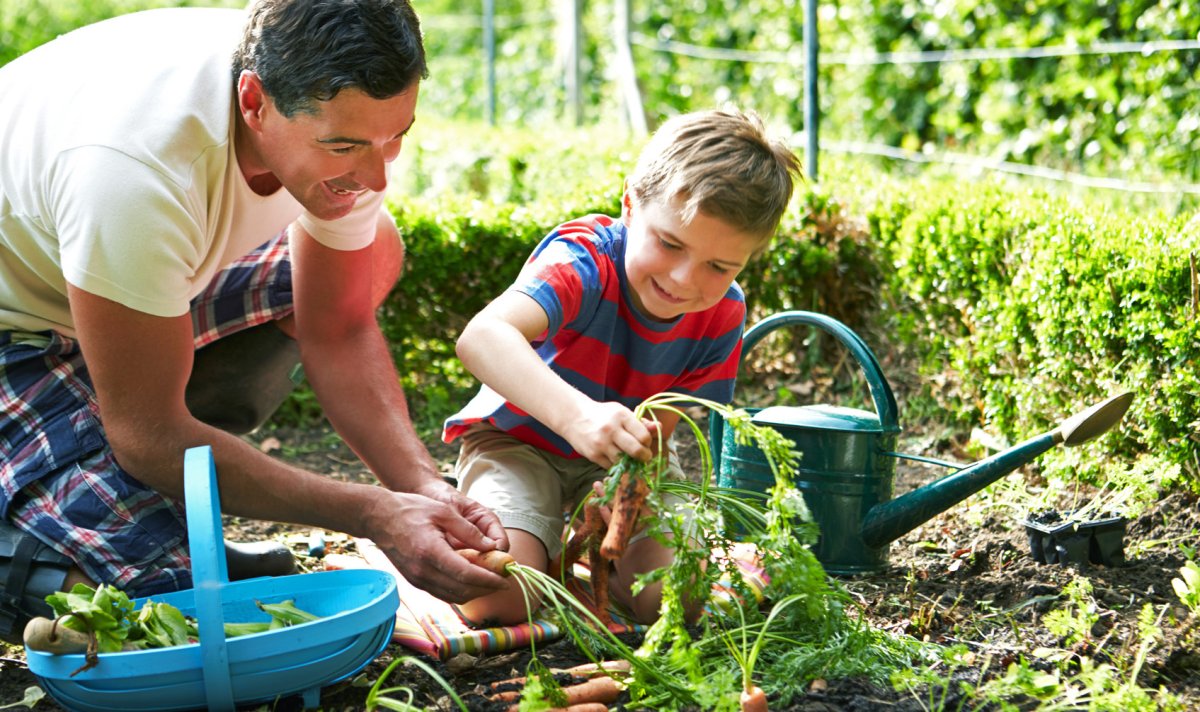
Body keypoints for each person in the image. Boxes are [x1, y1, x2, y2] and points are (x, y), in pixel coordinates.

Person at [0, 0, 510, 644]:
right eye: (344, 145)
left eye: (396, 136)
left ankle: (158, 490)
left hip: (120, 281)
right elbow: (147, 432)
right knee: (164, 606)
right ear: (253, 102)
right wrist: (374, 514)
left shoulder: (335, 109)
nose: (377, 172)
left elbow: (340, 326)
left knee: (373, 247)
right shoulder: (136, 172)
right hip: (19, 325)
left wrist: (421, 487)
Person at [442, 108, 802, 626]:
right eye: (670, 243)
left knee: (674, 602)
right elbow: (482, 337)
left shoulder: (724, 315)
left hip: (623, 462)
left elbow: (661, 430)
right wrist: (576, 418)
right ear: (630, 204)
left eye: (719, 266)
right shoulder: (583, 261)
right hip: (519, 442)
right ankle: (532, 539)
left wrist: (625, 486)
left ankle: (584, 554)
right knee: (496, 597)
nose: (683, 278)